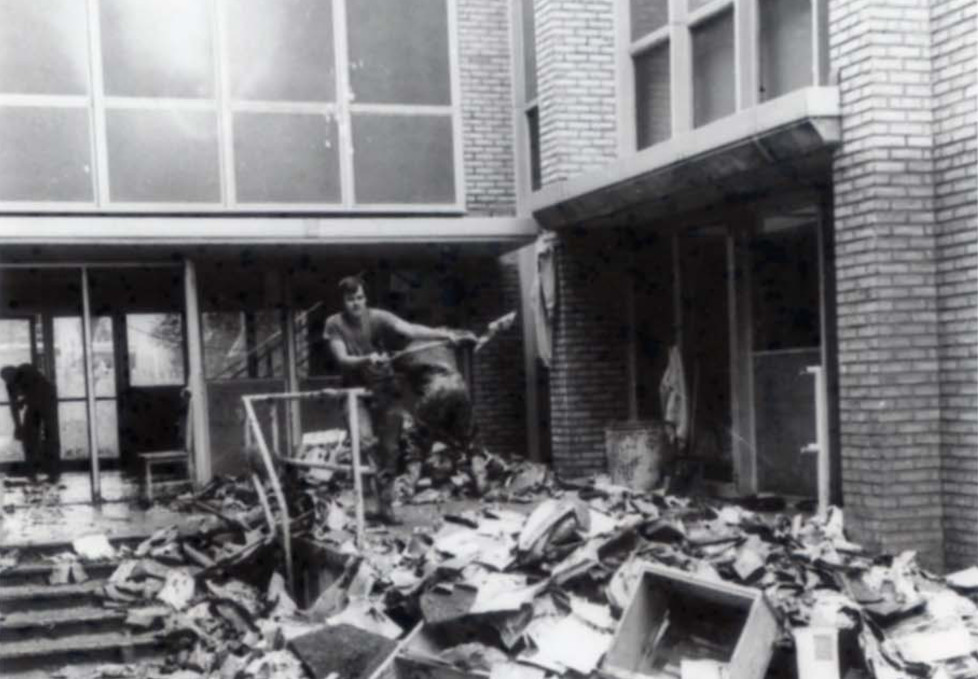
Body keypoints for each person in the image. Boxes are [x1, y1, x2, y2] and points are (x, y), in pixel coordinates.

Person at [324, 275, 475, 524]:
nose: (356, 304)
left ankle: (385, 508)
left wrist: (443, 336)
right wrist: (367, 359)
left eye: (360, 298)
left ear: (365, 298)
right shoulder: (334, 324)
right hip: (354, 392)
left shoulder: (377, 317)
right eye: (350, 300)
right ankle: (370, 500)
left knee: (391, 449)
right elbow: (342, 359)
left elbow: (410, 329)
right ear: (343, 302)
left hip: (385, 388)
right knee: (366, 441)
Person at [1, 363, 60, 484]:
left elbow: (38, 391)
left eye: (10, 378)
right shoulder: (10, 385)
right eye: (6, 380)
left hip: (47, 399)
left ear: (15, 372)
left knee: (50, 434)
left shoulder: (26, 370)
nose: (10, 381)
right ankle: (32, 470)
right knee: (28, 436)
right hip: (34, 403)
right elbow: (14, 407)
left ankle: (53, 472)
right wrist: (18, 427)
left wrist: (24, 401)